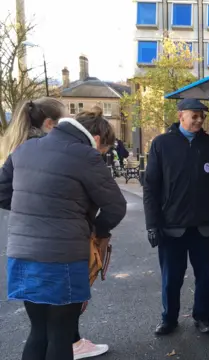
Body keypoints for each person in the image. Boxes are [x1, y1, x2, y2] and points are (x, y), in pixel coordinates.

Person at [0, 109, 127, 360]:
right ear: (97, 140)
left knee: (39, 331)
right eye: (104, 150)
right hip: (62, 258)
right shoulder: (86, 156)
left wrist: (34, 211)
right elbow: (116, 207)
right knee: (60, 333)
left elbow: (3, 194)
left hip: (22, 254)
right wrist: (95, 229)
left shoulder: (24, 149)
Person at [143, 98, 209, 336]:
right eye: (195, 115)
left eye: (202, 116)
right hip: (172, 225)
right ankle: (169, 318)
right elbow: (151, 187)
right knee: (172, 277)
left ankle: (202, 317)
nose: (199, 120)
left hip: (203, 225)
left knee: (204, 275)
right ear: (180, 115)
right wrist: (152, 224)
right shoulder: (162, 144)